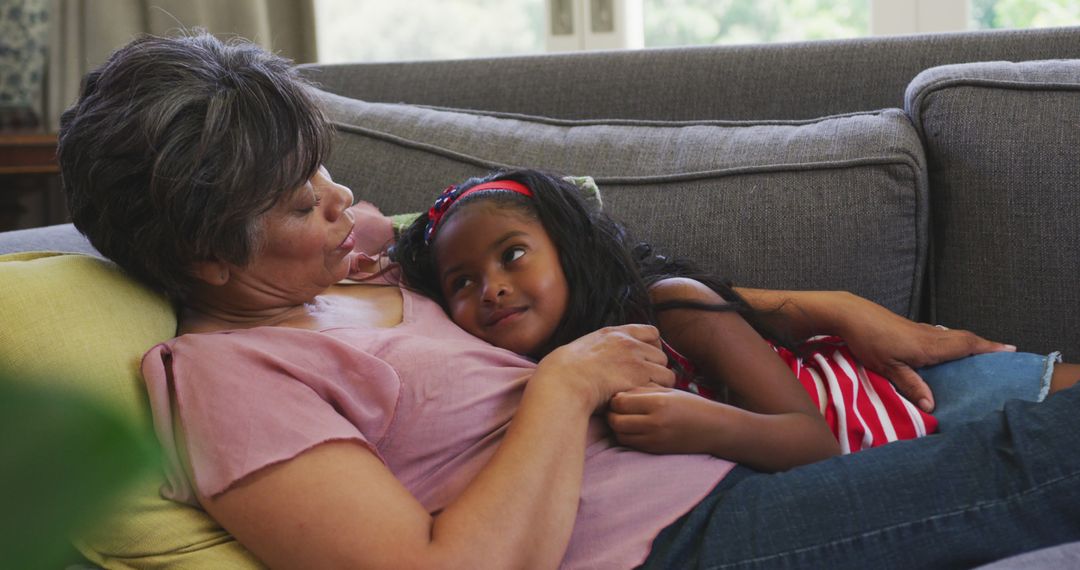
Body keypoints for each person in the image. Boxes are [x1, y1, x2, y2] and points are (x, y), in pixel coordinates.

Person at [57, 32, 1080, 569]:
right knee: (1034, 458)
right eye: (300, 200)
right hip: (675, 547)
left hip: (714, 475)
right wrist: (567, 388)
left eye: (323, 171)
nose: (345, 204)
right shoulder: (232, 378)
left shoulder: (349, 263)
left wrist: (794, 303)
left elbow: (560, 244)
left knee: (1010, 403)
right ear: (206, 258)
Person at [391, 169, 942, 465]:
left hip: (881, 422)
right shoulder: (525, 373)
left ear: (567, 250)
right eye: (462, 282)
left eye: (512, 254)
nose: (492, 289)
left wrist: (706, 426)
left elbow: (812, 441)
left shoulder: (673, 308)